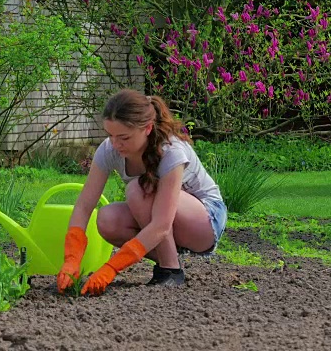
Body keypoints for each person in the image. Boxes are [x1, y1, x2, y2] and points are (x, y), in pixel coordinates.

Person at [56, 89, 227, 296]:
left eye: (124, 138)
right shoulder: (109, 149)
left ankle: (170, 269)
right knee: (107, 218)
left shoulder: (171, 151)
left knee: (139, 189)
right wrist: (72, 258)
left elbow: (162, 225)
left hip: (205, 222)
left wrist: (111, 268)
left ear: (147, 128)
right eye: (110, 135)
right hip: (166, 220)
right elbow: (84, 206)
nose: (115, 144)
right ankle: (169, 257)